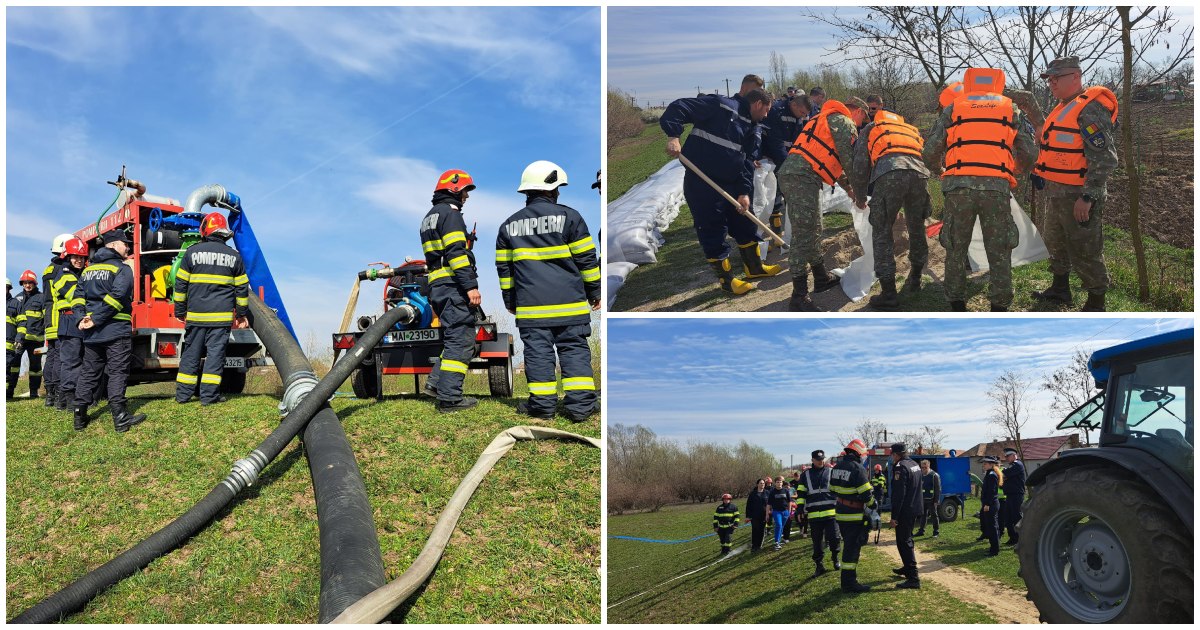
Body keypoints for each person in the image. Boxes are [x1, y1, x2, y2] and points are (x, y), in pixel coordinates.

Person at [923, 68, 1038, 312]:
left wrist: (940, 168)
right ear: (998, 82)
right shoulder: (1010, 107)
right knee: (999, 249)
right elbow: (1030, 151)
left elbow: (930, 149)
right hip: (996, 188)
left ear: (969, 82)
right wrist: (1015, 170)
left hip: (958, 187)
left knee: (955, 246)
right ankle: (999, 306)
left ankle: (956, 303)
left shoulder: (954, 107)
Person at [496, 161, 601, 422]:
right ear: (553, 190)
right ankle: (580, 408)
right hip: (570, 306)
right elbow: (587, 261)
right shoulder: (571, 217)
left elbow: (505, 271)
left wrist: (510, 300)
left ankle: (542, 408)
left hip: (532, 308)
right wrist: (594, 293)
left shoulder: (508, 226)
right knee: (574, 351)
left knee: (537, 354)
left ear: (527, 192)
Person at [661, 88, 781, 295]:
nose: (766, 115)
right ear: (758, 104)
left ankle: (754, 268)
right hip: (703, 180)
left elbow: (747, 163)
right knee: (712, 227)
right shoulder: (721, 105)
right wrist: (674, 136)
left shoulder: (752, 127)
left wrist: (744, 192)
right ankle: (727, 280)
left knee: (745, 222)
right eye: (767, 110)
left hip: (732, 183)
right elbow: (679, 107)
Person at [1030, 56, 1120, 312]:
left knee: (1085, 250)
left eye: (1057, 78)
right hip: (1056, 192)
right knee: (1055, 242)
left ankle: (1096, 302)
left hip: (1079, 195)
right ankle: (1060, 289)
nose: (1052, 83)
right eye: (1049, 79)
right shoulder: (1063, 107)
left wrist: (1089, 197)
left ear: (1076, 77)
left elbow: (1105, 158)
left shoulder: (1090, 109)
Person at [777, 96, 860, 311]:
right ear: (856, 111)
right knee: (803, 234)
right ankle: (798, 296)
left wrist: (849, 188)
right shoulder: (844, 122)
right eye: (862, 117)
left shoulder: (823, 119)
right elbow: (848, 159)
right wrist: (858, 191)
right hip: (801, 177)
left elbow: (831, 158)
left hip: (799, 175)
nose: (859, 124)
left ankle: (821, 277)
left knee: (814, 228)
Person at [850, 106, 933, 310]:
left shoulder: (872, 127)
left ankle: (888, 293)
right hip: (920, 175)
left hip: (890, 173)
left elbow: (860, 165)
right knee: (916, 227)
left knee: (882, 230)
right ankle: (915, 277)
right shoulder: (910, 129)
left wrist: (860, 196)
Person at [420, 169, 482, 412]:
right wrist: (471, 286)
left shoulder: (429, 217)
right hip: (453, 284)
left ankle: (436, 384)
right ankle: (450, 398)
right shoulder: (451, 215)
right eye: (465, 190)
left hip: (437, 285)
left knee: (453, 338)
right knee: (462, 340)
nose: (467, 196)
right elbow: (456, 254)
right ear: (454, 188)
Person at [73, 229, 147, 433]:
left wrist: (82, 318)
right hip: (115, 331)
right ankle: (120, 418)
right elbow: (118, 296)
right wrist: (96, 319)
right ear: (114, 245)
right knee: (117, 372)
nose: (128, 248)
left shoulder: (88, 271)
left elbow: (78, 298)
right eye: (125, 244)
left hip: (92, 334)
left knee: (89, 372)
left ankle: (79, 416)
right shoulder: (122, 269)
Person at [173, 212, 249, 406]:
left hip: (196, 316)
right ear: (224, 233)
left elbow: (180, 285)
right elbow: (242, 290)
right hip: (221, 319)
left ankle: (183, 395)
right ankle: (208, 397)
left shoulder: (192, 253)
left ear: (205, 230)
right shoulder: (235, 257)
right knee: (215, 356)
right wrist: (241, 315)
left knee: (191, 354)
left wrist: (180, 311)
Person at [831, 439, 874, 592]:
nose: (863, 457)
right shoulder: (858, 468)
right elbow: (866, 494)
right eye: (863, 454)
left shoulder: (836, 467)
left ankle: (847, 581)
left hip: (841, 513)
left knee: (848, 547)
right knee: (852, 549)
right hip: (854, 515)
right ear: (857, 452)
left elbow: (832, 490)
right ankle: (849, 583)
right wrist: (873, 505)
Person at [54, 238, 90, 421]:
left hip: (77, 320)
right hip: (69, 321)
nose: (79, 260)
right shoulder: (64, 274)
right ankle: (68, 399)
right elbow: (75, 295)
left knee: (78, 361)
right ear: (67, 257)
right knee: (71, 362)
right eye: (75, 257)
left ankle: (63, 399)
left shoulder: (80, 274)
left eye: (82, 257)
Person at [40, 233, 74, 407]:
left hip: (49, 315)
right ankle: (60, 395)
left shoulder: (49, 268)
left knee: (52, 355)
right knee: (61, 356)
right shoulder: (61, 269)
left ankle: (50, 395)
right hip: (58, 314)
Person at [798, 449, 843, 577]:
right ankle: (819, 566)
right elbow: (801, 493)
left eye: (822, 459)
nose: (820, 461)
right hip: (814, 515)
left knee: (834, 539)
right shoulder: (805, 475)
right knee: (817, 543)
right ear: (812, 460)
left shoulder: (830, 472)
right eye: (818, 460)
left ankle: (835, 558)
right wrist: (800, 508)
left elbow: (838, 489)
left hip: (831, 514)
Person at [888, 442, 922, 588]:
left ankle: (913, 577)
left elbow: (899, 495)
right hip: (915, 508)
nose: (891, 457)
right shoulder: (914, 463)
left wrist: (894, 517)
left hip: (905, 511)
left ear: (896, 454)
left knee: (904, 542)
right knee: (907, 539)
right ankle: (907, 568)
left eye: (892, 454)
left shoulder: (900, 467)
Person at [11, 270, 45, 399]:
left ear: (34, 283)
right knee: (14, 365)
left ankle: (33, 392)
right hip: (20, 339)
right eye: (25, 283)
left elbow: (45, 318)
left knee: (35, 368)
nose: (27, 285)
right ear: (22, 283)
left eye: (30, 282)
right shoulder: (17, 298)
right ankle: (10, 391)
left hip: (36, 340)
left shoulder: (42, 298)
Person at [1001, 447, 1026, 544]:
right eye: (1005, 456)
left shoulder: (1017, 464)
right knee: (1008, 518)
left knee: (1016, 517)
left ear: (1014, 455)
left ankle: (1020, 538)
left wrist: (1004, 473)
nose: (1006, 458)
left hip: (1016, 495)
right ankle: (1013, 538)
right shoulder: (1012, 465)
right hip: (1010, 495)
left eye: (1007, 456)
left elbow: (1005, 473)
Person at [980, 455, 1003, 556]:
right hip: (990, 504)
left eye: (985, 464)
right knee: (992, 527)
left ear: (990, 464)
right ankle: (993, 547)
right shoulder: (989, 473)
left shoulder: (992, 475)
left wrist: (987, 504)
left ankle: (994, 550)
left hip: (991, 505)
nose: (983, 465)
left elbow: (992, 492)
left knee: (992, 528)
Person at [916, 459, 941, 538]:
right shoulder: (921, 475)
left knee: (934, 515)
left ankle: (936, 532)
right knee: (923, 515)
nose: (923, 469)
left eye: (925, 467)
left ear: (928, 466)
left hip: (932, 499)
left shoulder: (934, 475)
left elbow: (938, 489)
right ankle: (921, 531)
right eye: (922, 467)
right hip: (923, 499)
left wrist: (936, 500)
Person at [766, 476, 791, 550]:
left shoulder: (786, 491)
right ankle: (776, 542)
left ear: (782, 483)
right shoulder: (772, 492)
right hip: (776, 512)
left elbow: (789, 502)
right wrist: (767, 514)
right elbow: (768, 504)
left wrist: (789, 512)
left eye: (780, 482)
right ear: (775, 483)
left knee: (782, 527)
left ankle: (779, 541)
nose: (779, 483)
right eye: (777, 482)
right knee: (779, 525)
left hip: (785, 512)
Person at [5, 277, 20, 399]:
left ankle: (7, 394)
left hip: (8, 343)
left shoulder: (15, 304)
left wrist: (19, 337)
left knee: (6, 369)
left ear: (8, 288)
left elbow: (22, 323)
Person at [746, 478, 770, 552]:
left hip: (763, 515)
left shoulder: (767, 493)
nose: (762, 484)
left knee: (761, 531)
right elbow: (748, 505)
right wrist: (748, 516)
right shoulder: (752, 494)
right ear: (757, 484)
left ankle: (759, 546)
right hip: (754, 516)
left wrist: (768, 514)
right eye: (760, 483)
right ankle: (754, 546)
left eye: (763, 483)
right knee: (755, 530)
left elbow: (769, 504)